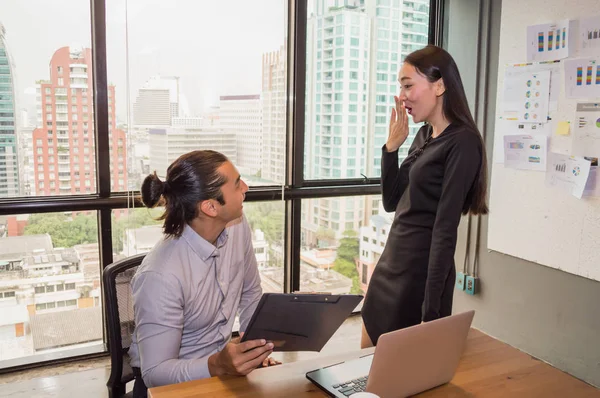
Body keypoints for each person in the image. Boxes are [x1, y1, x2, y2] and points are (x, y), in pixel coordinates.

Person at [361, 45, 489, 348]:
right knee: (364, 373)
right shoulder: (424, 135)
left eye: (408, 85)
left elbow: (445, 231)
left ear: (440, 85)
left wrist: (431, 313)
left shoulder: (463, 142)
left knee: (401, 381)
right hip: (390, 268)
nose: (402, 95)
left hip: (419, 277)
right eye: (400, 87)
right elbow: (393, 201)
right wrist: (390, 149)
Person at [128, 150, 279, 397]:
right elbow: (155, 372)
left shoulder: (238, 226)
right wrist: (218, 364)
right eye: (237, 183)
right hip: (171, 385)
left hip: (222, 370)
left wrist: (254, 350)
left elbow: (250, 293)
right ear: (210, 207)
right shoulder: (161, 276)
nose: (246, 187)